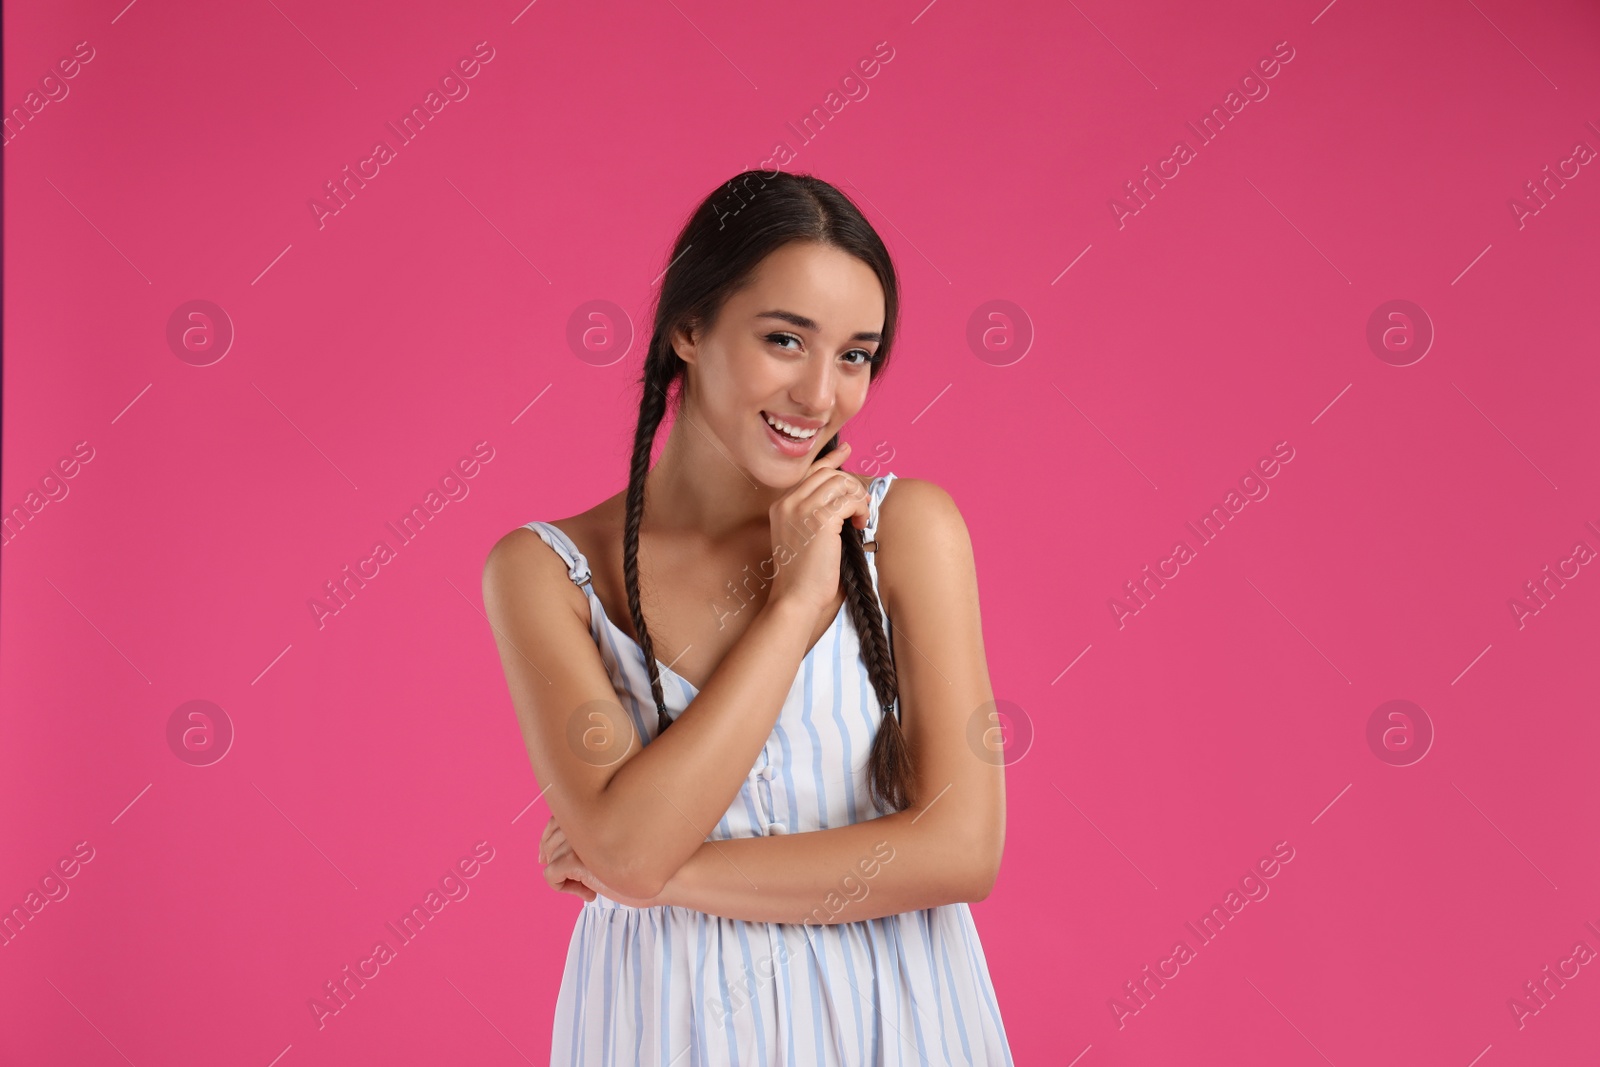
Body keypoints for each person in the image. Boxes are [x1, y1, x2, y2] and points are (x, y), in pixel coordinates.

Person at [482, 170, 1013, 1065]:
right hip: (659, 1022)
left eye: (855, 355)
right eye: (783, 339)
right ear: (688, 328)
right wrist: (795, 604)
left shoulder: (908, 532)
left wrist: (655, 873)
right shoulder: (549, 572)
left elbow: (961, 849)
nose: (818, 394)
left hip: (896, 1020)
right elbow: (626, 848)